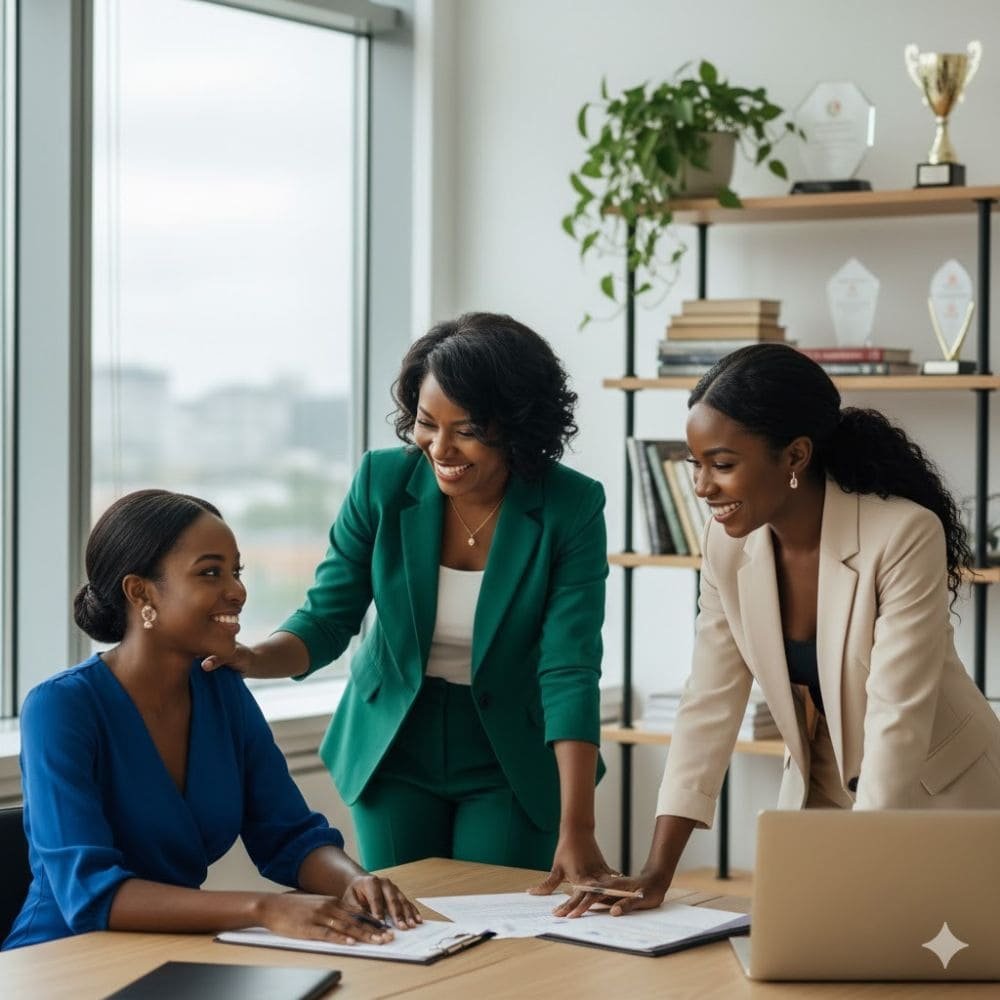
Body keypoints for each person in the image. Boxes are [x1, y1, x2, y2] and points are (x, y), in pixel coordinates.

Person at [557, 342, 1000, 918]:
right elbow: (709, 702)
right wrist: (657, 871)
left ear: (794, 456)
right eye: (695, 464)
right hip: (820, 793)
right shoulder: (726, 545)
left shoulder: (903, 535)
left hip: (938, 798)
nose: (702, 487)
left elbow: (897, 720)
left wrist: (866, 870)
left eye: (722, 464)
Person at [203, 312, 613, 890]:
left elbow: (569, 666)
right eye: (426, 423)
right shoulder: (382, 483)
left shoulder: (571, 506)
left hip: (511, 753)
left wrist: (579, 826)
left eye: (467, 430)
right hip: (393, 742)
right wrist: (253, 658)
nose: (440, 448)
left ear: (517, 425)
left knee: (496, 923)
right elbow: (328, 617)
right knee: (403, 918)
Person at [3, 490, 420, 951]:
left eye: (236, 572)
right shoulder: (60, 708)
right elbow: (89, 894)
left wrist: (354, 882)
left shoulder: (222, 689)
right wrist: (263, 909)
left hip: (174, 951)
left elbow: (290, 835)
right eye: (210, 572)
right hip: (61, 957)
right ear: (140, 592)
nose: (237, 591)